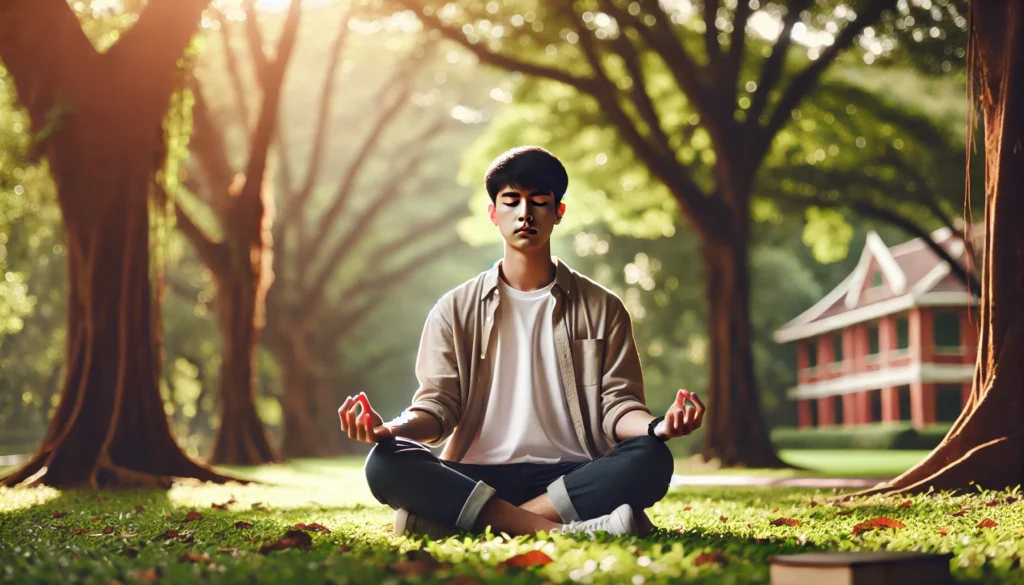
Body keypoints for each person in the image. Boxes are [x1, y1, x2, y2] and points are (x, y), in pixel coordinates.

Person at [339, 146, 705, 539]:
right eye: (511, 202)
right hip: (477, 477)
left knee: (650, 458)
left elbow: (617, 407)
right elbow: (436, 409)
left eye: (539, 202)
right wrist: (390, 429)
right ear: (494, 214)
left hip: (573, 475)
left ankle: (466, 524)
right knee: (386, 462)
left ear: (558, 213)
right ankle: (567, 531)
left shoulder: (604, 307)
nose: (525, 214)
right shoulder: (453, 309)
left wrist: (657, 427)